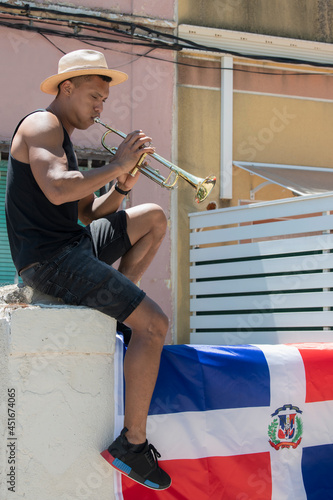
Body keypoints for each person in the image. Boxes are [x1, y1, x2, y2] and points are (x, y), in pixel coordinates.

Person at [5, 49, 171, 490]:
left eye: (104, 100)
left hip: (73, 245)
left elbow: (87, 215)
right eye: (95, 97)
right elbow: (59, 190)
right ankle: (132, 447)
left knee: (153, 215)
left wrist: (123, 184)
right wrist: (115, 162)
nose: (101, 108)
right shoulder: (41, 125)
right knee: (154, 326)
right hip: (50, 262)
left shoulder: (62, 139)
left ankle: (117, 309)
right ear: (67, 88)